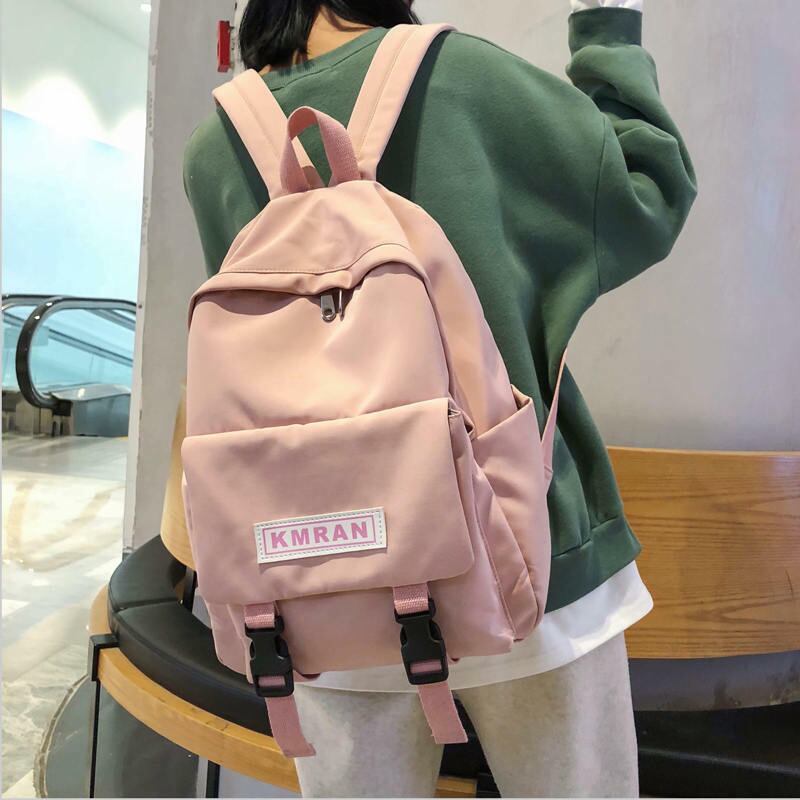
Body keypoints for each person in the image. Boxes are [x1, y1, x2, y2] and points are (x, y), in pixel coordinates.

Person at [183, 0, 696, 795]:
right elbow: (647, 188)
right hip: (525, 564)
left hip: (313, 588)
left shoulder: (213, 149)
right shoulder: (462, 80)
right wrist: (606, 28)